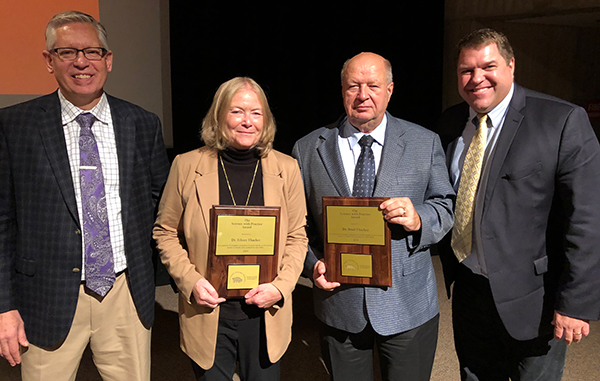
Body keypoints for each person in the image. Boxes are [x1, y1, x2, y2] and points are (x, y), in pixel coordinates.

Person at [0, 10, 170, 381]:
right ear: (49, 60)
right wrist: (4, 308)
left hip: (125, 291)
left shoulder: (142, 123)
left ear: (108, 60)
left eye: (92, 52)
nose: (81, 62)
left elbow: (161, 207)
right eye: (66, 52)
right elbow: (2, 222)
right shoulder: (14, 125)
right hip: (46, 297)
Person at [436, 28, 600, 380]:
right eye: (466, 70)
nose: (476, 78)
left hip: (533, 298)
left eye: (488, 66)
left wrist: (576, 303)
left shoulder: (562, 121)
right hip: (470, 292)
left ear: (511, 65)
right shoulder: (450, 122)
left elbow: (587, 219)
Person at [291, 52, 455, 381]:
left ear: (390, 90)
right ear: (342, 91)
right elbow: (298, 226)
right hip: (339, 301)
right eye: (353, 86)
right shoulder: (307, 149)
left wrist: (418, 217)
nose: (362, 94)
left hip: (407, 304)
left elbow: (446, 206)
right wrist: (312, 265)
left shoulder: (424, 142)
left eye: (373, 85)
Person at [153, 77, 308, 381]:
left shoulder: (286, 168)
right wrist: (191, 281)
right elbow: (165, 231)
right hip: (209, 310)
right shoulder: (186, 166)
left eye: (256, 113)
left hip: (265, 310)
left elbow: (297, 236)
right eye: (237, 112)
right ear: (219, 115)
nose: (247, 122)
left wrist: (280, 287)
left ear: (266, 120)